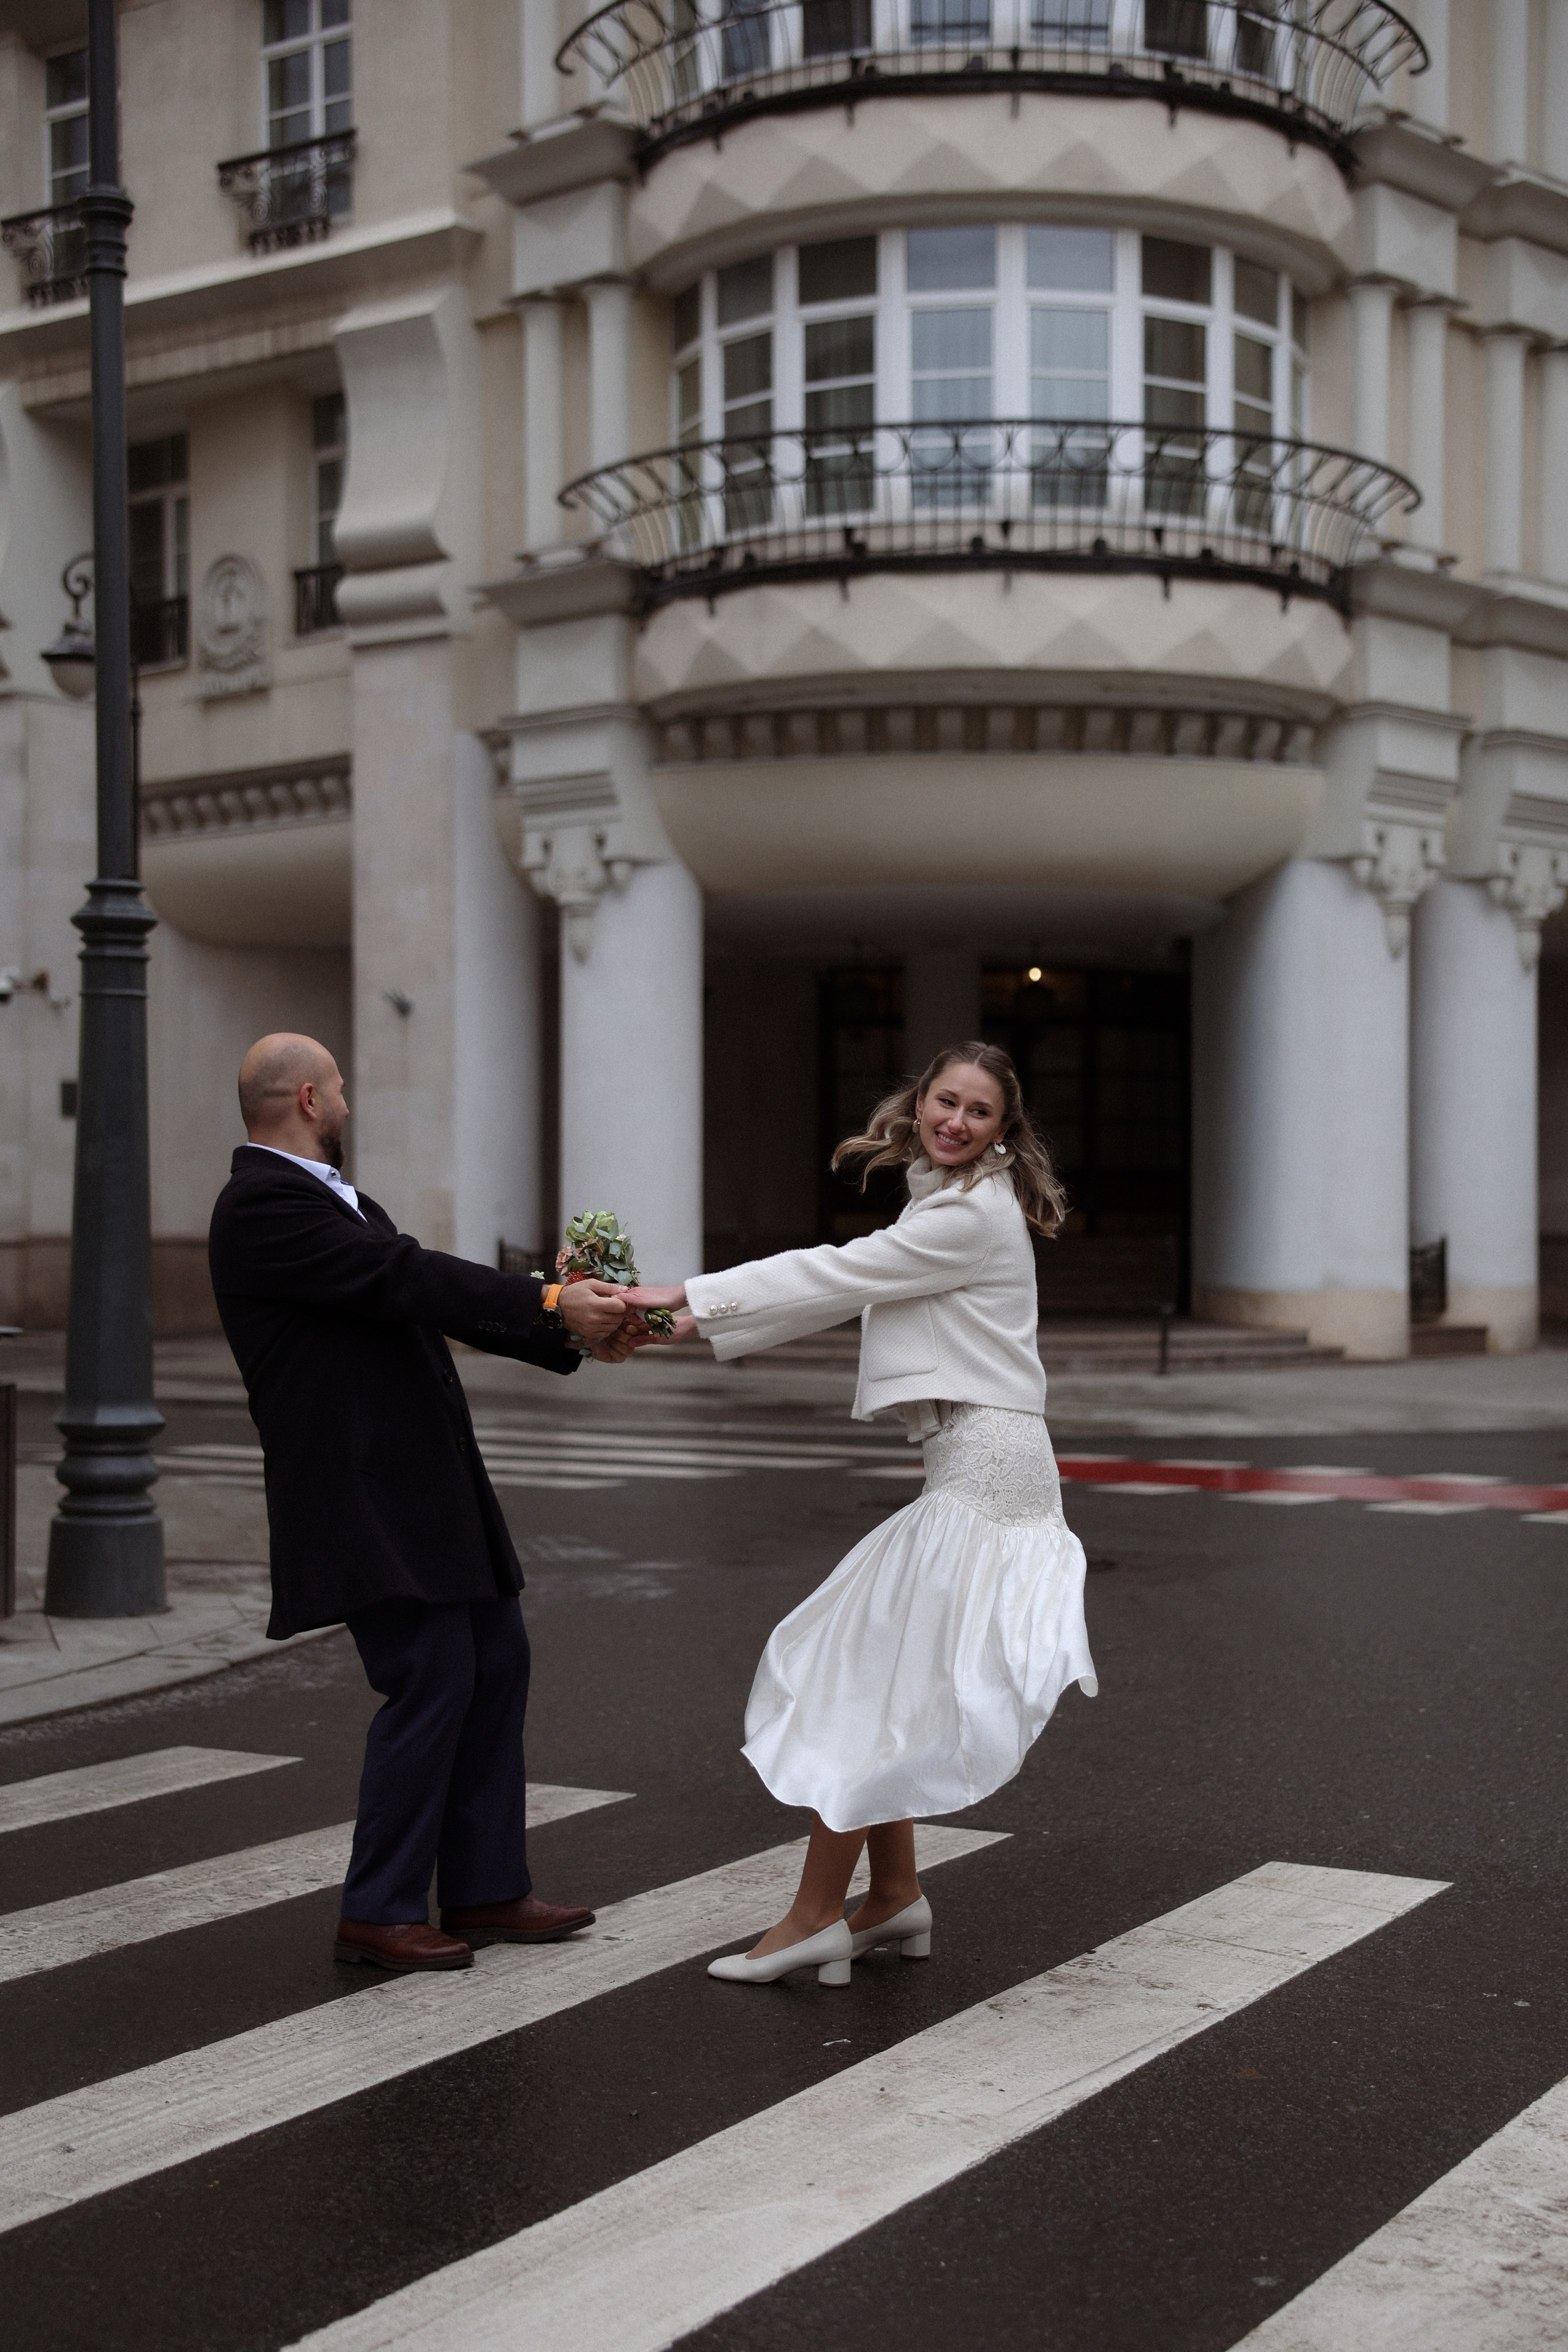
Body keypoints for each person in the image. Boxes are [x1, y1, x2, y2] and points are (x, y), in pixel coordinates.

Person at [624, 1041, 1097, 1987]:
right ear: (920, 1101)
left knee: (859, 1675)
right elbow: (845, 1288)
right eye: (945, 1101)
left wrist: (683, 1301)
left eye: (978, 1113)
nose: (954, 1122)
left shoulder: (968, 1216)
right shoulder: (948, 1200)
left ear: (1005, 1133)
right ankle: (892, 1897)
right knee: (893, 1671)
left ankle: (813, 1918)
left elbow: (839, 1273)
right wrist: (685, 1325)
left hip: (989, 1473)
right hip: (980, 1463)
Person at [208, 1033, 633, 1975]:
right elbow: (407, 1277)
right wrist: (552, 1299)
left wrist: (567, 1334)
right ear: (312, 1100)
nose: (350, 1107)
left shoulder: (331, 1201)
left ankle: (485, 1886)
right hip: (362, 1493)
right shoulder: (263, 1205)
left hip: (423, 1483)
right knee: (432, 1673)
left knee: (494, 1657)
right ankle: (380, 1908)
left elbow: (417, 1300)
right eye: (345, 1092)